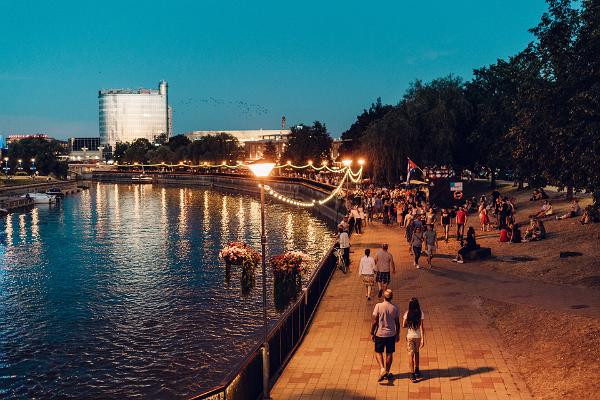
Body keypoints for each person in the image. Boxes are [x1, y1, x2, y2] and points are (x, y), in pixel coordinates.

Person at [371, 289, 400, 382]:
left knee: (378, 352)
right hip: (391, 334)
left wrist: (372, 332)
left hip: (380, 333)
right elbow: (397, 323)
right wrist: (397, 334)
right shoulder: (395, 308)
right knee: (389, 353)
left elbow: (375, 321)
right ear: (392, 297)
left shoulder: (378, 306)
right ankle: (387, 372)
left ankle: (382, 369)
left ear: (384, 296)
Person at [402, 298, 425, 383]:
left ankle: (412, 375)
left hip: (410, 336)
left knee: (410, 354)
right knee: (417, 352)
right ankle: (417, 370)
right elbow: (421, 327)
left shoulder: (407, 313)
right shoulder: (420, 313)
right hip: (418, 336)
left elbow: (403, 325)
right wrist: (423, 339)